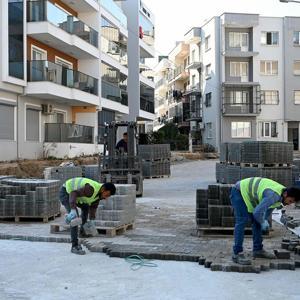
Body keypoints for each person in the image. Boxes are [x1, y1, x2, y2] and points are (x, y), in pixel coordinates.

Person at [230, 177, 300, 265]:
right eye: (290, 201)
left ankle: (258, 250)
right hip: (239, 192)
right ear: (286, 194)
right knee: (242, 221)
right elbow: (257, 212)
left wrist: (262, 220)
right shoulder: (273, 195)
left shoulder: (281, 197)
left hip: (250, 196)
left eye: (291, 203)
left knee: (257, 222)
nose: (289, 203)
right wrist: (263, 222)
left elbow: (266, 211)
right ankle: (237, 253)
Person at [59, 177, 116, 255]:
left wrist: (92, 220)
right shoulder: (91, 189)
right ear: (103, 189)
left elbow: (93, 207)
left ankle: (83, 232)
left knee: (85, 207)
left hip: (75, 196)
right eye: (107, 194)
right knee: (75, 218)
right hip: (66, 192)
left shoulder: (98, 195)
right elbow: (73, 193)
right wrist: (72, 209)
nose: (106, 197)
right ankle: (74, 246)